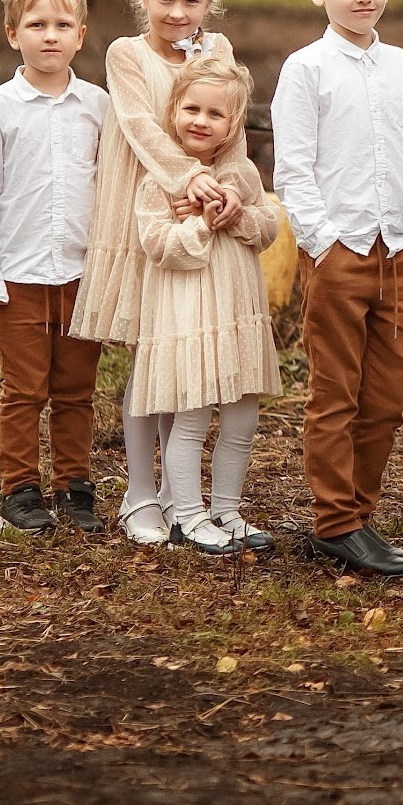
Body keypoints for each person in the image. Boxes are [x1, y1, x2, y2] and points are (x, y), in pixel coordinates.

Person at [73, 0, 256, 547]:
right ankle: (139, 492)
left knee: (180, 354)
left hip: (203, 207)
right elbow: (141, 127)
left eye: (192, 1)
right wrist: (190, 179)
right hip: (146, 205)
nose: (178, 13)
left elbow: (232, 128)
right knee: (152, 356)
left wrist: (225, 183)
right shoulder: (126, 54)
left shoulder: (219, 49)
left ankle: (190, 499)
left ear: (210, 1)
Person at [273, 0, 403, 578]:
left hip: (401, 250)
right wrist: (327, 243)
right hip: (340, 251)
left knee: (388, 395)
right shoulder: (306, 70)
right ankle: (335, 521)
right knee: (336, 392)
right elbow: (294, 170)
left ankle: (361, 513)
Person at [0, 0, 109, 535]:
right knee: (23, 391)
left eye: (62, 24)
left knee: (76, 390)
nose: (49, 35)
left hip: (81, 273)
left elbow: (109, 186)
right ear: (12, 33)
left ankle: (75, 487)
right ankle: (20, 489)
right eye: (36, 24)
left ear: (80, 34)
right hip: (19, 274)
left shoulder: (97, 106)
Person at [130, 55, 280, 556]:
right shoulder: (161, 183)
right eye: (191, 108)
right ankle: (187, 516)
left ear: (232, 125)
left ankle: (227, 510)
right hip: (189, 317)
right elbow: (158, 245)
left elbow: (268, 229)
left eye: (215, 115)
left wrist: (236, 217)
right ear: (174, 110)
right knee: (191, 417)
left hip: (238, 315)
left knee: (241, 418)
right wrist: (200, 224)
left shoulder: (243, 176)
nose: (201, 120)